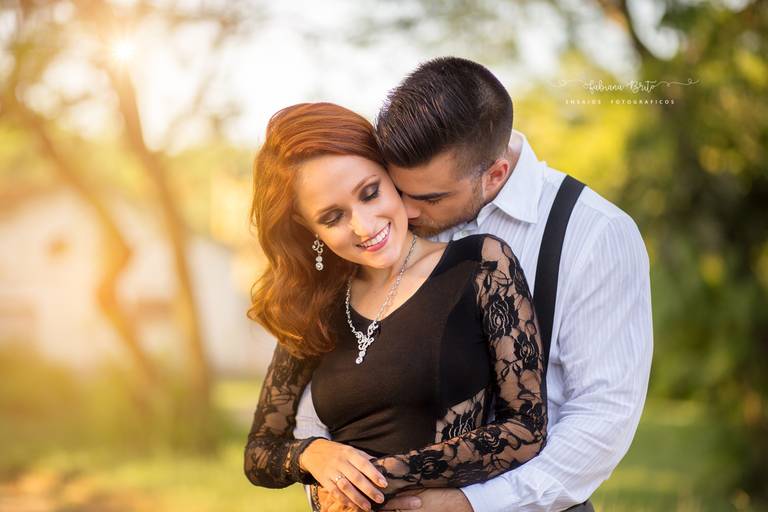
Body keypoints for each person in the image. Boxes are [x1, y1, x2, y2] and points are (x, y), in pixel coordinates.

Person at [295, 57, 653, 512]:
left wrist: (470, 503)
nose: (404, 212)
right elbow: (328, 382)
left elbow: (603, 417)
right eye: (397, 189)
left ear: (495, 174)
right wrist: (326, 479)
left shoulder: (595, 234)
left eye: (429, 198)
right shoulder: (376, 230)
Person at [243, 101, 548, 512]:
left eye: (370, 193)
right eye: (332, 217)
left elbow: (525, 429)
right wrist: (313, 455)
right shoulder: (315, 304)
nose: (365, 226)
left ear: (390, 174)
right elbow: (260, 451)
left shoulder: (479, 264)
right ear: (308, 228)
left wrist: (377, 479)